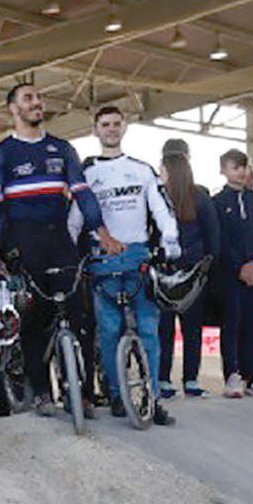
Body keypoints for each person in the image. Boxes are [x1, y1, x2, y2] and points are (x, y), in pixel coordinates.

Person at [0, 81, 118, 418]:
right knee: (34, 319)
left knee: (79, 315)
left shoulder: (62, 148)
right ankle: (41, 391)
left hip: (59, 239)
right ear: (13, 108)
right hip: (22, 242)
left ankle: (83, 393)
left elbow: (83, 194)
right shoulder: (1, 155)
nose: (36, 102)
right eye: (28, 98)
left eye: (38, 97)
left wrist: (102, 233)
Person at [68, 105, 179, 425]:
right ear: (95, 130)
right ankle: (117, 395)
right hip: (102, 262)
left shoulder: (142, 170)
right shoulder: (87, 175)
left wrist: (171, 240)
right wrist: (68, 255)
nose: (111, 129)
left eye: (116, 123)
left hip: (138, 258)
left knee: (149, 331)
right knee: (108, 332)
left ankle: (154, 399)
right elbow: (75, 219)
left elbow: (161, 208)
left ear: (125, 127)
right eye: (105, 124)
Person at [212, 148, 253, 399]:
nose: (240, 172)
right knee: (232, 323)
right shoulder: (217, 203)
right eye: (234, 167)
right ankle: (233, 375)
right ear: (223, 170)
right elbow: (219, 241)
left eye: (244, 167)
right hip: (231, 276)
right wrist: (238, 267)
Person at [157, 150, 220, 399]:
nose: (159, 173)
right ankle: (180, 380)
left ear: (172, 171)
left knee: (183, 328)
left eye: (162, 169)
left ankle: (176, 379)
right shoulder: (159, 197)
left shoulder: (199, 199)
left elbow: (212, 236)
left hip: (186, 273)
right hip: (175, 273)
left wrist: (207, 266)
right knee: (177, 329)